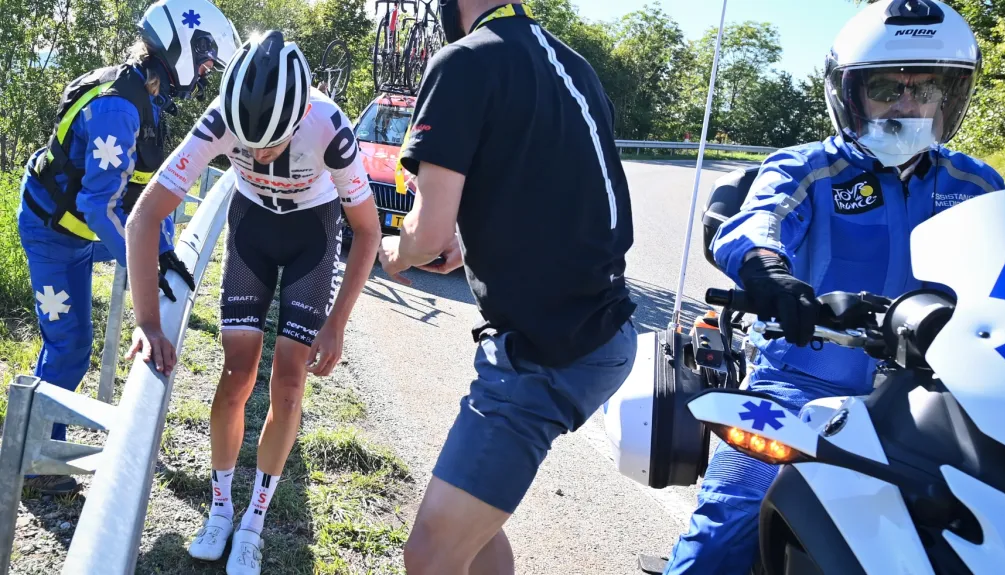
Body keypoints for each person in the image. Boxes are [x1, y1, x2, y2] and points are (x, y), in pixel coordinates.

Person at [662, 1, 1005, 573]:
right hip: (802, 382)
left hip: (940, 395)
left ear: (950, 98)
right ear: (850, 94)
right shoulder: (806, 168)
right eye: (886, 89)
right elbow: (759, 221)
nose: (907, 105)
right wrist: (769, 271)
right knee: (727, 526)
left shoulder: (975, 182)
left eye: (925, 89)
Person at [375, 1, 637, 573]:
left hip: (546, 351)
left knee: (429, 554)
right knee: (474, 535)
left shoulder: (464, 61)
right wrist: (471, 244)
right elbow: (555, 189)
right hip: (602, 324)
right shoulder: (573, 65)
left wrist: (397, 250)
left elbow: (425, 233)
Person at [124, 29, 381, 575]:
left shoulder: (329, 125)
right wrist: (147, 322)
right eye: (248, 144)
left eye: (273, 144)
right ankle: (220, 509)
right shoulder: (220, 116)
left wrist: (337, 323)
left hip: (313, 233)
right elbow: (144, 218)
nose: (260, 155)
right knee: (237, 373)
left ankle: (254, 523)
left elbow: (367, 230)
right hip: (252, 231)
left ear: (300, 116)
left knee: (288, 385)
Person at [15, 0, 239, 495]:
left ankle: (34, 446)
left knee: (71, 344)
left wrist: (163, 250)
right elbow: (100, 207)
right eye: (205, 63)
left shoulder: (146, 95)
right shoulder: (119, 107)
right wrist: (146, 266)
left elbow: (143, 195)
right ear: (182, 48)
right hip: (53, 234)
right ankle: (30, 460)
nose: (205, 74)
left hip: (76, 231)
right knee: (69, 346)